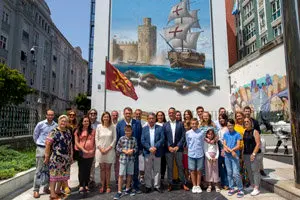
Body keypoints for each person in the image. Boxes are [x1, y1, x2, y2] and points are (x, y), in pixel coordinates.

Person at [45, 115, 72, 200]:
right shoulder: (54, 131)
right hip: (55, 158)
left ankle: (58, 191)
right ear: (59, 121)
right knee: (54, 176)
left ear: (67, 123)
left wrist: (70, 155)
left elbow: (70, 144)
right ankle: (52, 195)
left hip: (65, 158)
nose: (63, 122)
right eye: (62, 121)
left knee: (62, 176)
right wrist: (46, 156)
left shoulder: (68, 131)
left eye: (65, 121)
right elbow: (48, 144)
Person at [116, 107, 142, 195]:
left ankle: (135, 186)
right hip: (123, 153)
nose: (128, 115)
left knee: (134, 170)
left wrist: (139, 149)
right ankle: (125, 186)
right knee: (123, 171)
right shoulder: (119, 124)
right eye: (126, 113)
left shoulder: (137, 123)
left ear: (132, 114)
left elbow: (140, 136)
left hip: (134, 151)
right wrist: (120, 151)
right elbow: (117, 138)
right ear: (124, 114)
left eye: (129, 113)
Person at [33, 109, 57, 198]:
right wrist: (39, 144)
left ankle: (46, 188)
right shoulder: (40, 124)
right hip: (41, 148)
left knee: (49, 170)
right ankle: (36, 190)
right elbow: (35, 135)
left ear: (53, 116)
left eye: (52, 115)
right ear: (46, 115)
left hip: (51, 150)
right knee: (39, 170)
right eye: (49, 115)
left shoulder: (56, 125)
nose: (50, 116)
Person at [164, 107, 189, 192]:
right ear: (168, 114)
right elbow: (164, 138)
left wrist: (178, 146)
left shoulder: (180, 124)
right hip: (169, 150)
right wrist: (169, 147)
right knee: (170, 167)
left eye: (172, 113)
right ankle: (170, 184)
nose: (171, 114)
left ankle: (183, 183)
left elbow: (183, 136)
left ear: (175, 113)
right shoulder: (165, 125)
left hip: (179, 149)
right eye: (170, 113)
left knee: (180, 166)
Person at [141, 113, 164, 193]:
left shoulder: (160, 128)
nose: (151, 120)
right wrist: (149, 148)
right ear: (147, 119)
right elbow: (142, 140)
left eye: (153, 118)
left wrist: (155, 147)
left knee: (157, 169)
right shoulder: (144, 129)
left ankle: (157, 186)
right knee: (147, 170)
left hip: (157, 151)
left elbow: (162, 139)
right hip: (148, 152)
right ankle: (148, 186)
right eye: (150, 118)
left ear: (155, 119)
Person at [114, 125, 138, 199]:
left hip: (131, 159)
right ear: (124, 131)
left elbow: (136, 148)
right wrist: (123, 150)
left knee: (129, 174)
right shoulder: (121, 139)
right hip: (123, 159)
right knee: (121, 175)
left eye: (129, 131)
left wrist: (133, 150)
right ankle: (119, 191)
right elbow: (117, 147)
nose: (128, 132)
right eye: (126, 131)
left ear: (131, 131)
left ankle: (127, 188)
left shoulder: (134, 139)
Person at [74, 116, 96, 194]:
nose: (86, 123)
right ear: (82, 122)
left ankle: (86, 185)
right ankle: (81, 185)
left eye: (87, 121)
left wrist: (93, 150)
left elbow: (94, 141)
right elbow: (76, 142)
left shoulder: (93, 131)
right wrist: (83, 149)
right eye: (85, 121)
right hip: (81, 153)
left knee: (88, 170)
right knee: (81, 170)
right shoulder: (78, 131)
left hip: (90, 153)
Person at [96, 112, 116, 193]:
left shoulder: (113, 127)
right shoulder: (99, 127)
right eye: (104, 117)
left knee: (108, 169)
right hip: (100, 151)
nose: (106, 118)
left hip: (109, 151)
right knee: (102, 169)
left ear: (109, 118)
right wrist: (101, 149)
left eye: (107, 117)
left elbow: (114, 139)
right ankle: (102, 186)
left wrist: (108, 149)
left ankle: (108, 186)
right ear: (102, 118)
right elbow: (96, 139)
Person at [223, 119, 244, 198]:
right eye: (228, 125)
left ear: (233, 125)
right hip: (227, 155)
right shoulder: (225, 134)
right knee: (229, 172)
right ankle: (231, 188)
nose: (229, 127)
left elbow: (239, 145)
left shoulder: (237, 134)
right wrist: (227, 149)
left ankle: (240, 189)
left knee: (236, 173)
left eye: (231, 125)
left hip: (235, 155)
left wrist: (232, 150)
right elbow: (224, 143)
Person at [243, 106, 266, 176]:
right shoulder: (243, 121)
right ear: (244, 112)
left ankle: (261, 169)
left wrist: (253, 134)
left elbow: (259, 131)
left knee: (260, 154)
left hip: (254, 140)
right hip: (245, 141)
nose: (247, 112)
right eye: (246, 111)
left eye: (248, 111)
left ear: (250, 112)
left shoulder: (255, 121)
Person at [243, 117, 262, 196]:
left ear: (251, 123)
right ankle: (252, 185)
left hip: (254, 154)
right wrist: (242, 154)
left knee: (255, 171)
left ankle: (256, 188)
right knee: (249, 171)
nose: (246, 123)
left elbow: (258, 144)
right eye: (245, 122)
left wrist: (253, 154)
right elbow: (244, 144)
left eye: (248, 121)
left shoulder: (255, 131)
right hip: (246, 154)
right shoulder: (245, 131)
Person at [186, 118, 205, 194]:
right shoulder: (188, 133)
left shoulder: (201, 132)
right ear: (190, 124)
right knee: (192, 170)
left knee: (199, 170)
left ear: (198, 124)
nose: (194, 125)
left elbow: (203, 142)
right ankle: (194, 185)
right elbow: (188, 143)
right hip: (191, 154)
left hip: (200, 153)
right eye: (192, 123)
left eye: (195, 123)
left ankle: (198, 185)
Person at [234, 111, 249, 186]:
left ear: (243, 116)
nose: (239, 117)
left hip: (246, 148)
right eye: (237, 116)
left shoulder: (246, 125)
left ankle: (246, 181)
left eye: (240, 116)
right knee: (239, 165)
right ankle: (240, 181)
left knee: (246, 165)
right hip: (238, 148)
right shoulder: (235, 126)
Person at [87, 109, 100, 188]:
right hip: (86, 147)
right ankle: (84, 180)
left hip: (95, 147)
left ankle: (91, 180)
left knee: (93, 164)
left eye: (94, 113)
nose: (93, 114)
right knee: (85, 165)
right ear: (88, 114)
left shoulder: (99, 124)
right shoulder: (85, 123)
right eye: (91, 113)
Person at [134, 109, 146, 185]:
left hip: (142, 146)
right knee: (134, 163)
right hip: (134, 146)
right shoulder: (132, 122)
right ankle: (134, 178)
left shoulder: (145, 123)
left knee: (142, 163)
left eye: (139, 114)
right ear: (135, 114)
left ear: (141, 114)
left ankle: (142, 177)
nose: (138, 115)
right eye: (137, 114)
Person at [218, 113, 229, 190]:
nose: (221, 120)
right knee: (219, 166)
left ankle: (226, 184)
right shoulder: (220, 129)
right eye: (219, 118)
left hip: (225, 148)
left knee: (225, 167)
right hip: (219, 148)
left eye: (222, 118)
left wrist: (224, 149)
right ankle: (223, 182)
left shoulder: (228, 128)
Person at [156, 111, 167, 182]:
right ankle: (157, 179)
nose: (160, 117)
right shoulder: (155, 124)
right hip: (157, 147)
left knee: (163, 163)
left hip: (165, 147)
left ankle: (162, 177)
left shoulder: (166, 124)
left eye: (161, 115)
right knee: (157, 164)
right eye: (159, 115)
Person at [183, 110, 193, 181]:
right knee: (186, 165)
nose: (186, 115)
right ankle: (186, 179)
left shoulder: (193, 123)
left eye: (188, 114)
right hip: (184, 148)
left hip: (192, 148)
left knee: (192, 165)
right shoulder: (182, 123)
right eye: (185, 114)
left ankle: (193, 180)